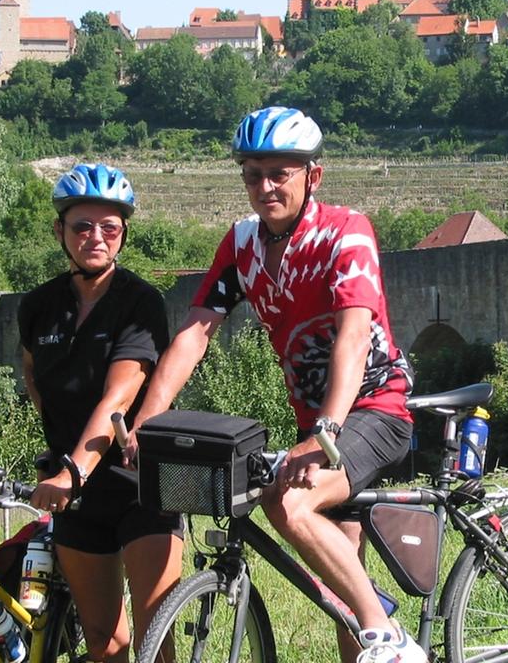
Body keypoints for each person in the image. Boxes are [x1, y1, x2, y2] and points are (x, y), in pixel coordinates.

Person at [135, 106, 421, 663]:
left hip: (375, 409)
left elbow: (353, 337)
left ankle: (390, 636)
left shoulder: (346, 231)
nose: (264, 186)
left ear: (312, 176)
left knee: (286, 505)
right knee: (344, 578)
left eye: (279, 174)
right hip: (318, 426)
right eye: (252, 174)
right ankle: (370, 628)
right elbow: (195, 333)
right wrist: (148, 418)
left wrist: (326, 431)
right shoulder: (241, 245)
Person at [19, 163, 182, 663]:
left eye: (109, 227)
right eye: (82, 226)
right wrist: (57, 452)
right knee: (105, 645)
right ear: (60, 231)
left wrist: (72, 470)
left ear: (123, 235)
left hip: (141, 486)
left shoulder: (139, 303)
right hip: (79, 499)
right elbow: (35, 379)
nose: (96, 237)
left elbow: (118, 396)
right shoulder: (38, 306)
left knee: (156, 642)